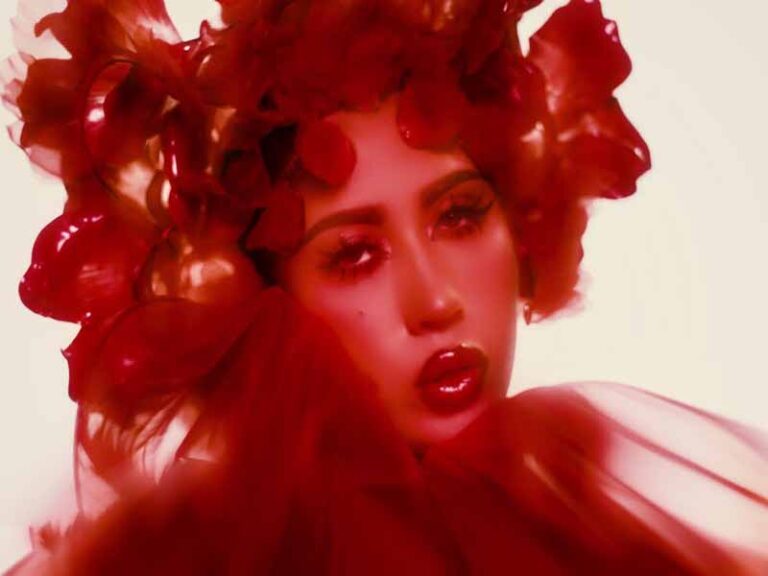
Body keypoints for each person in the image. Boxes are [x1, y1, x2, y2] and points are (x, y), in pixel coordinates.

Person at [2, 0, 766, 574]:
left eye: (461, 216)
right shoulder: (186, 557)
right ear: (254, 300)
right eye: (355, 256)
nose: (436, 302)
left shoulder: (595, 528)